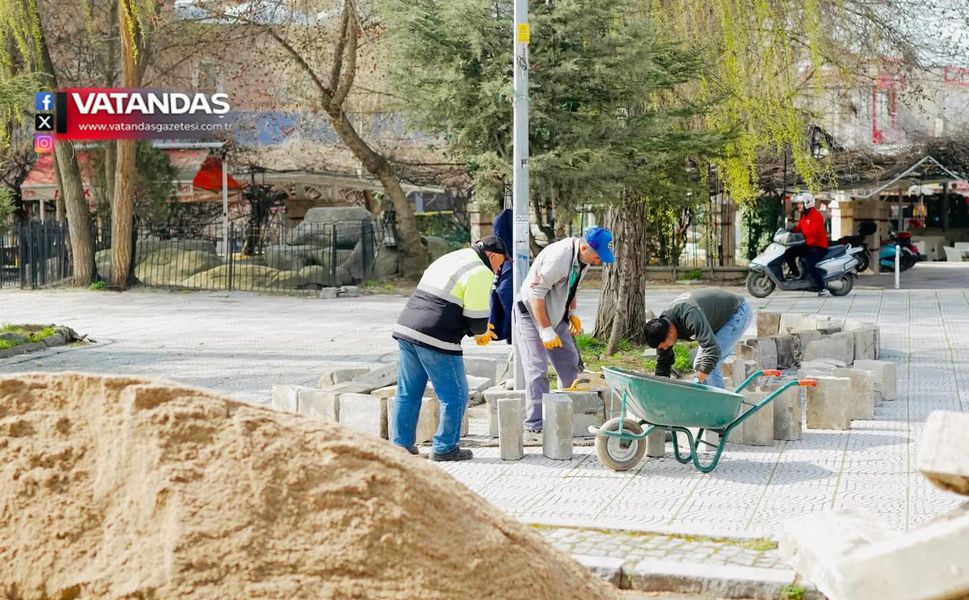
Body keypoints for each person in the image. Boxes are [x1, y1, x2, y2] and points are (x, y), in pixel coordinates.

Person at [391, 236, 509, 461]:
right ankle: (445, 448)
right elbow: (476, 319)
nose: (499, 269)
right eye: (500, 263)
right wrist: (481, 332)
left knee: (408, 392)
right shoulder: (481, 271)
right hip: (436, 336)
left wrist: (477, 330)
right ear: (492, 256)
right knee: (455, 394)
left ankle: (400, 446)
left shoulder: (453, 257)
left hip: (407, 328)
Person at [515, 226, 615, 432]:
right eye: (598, 256)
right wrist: (544, 329)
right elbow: (536, 293)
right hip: (531, 314)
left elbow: (572, 286)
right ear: (586, 247)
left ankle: (567, 417)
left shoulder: (583, 259)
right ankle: (534, 426)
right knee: (537, 371)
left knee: (570, 364)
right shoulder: (558, 257)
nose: (600, 261)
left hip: (556, 314)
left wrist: (572, 313)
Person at [644, 289, 754, 389]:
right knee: (698, 365)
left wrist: (696, 382)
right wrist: (660, 386)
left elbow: (713, 351)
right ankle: (706, 403)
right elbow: (663, 361)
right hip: (715, 319)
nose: (665, 348)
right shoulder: (663, 327)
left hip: (737, 312)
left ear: (671, 332)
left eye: (664, 346)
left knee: (711, 367)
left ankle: (720, 407)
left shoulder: (690, 316)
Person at [785, 192, 830, 297]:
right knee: (789, 253)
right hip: (809, 245)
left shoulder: (816, 215)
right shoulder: (805, 216)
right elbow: (799, 228)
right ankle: (797, 275)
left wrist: (800, 233)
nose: (798, 206)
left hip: (819, 247)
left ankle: (823, 287)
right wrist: (790, 230)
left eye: (800, 203)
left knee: (809, 263)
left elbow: (812, 232)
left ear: (807, 203)